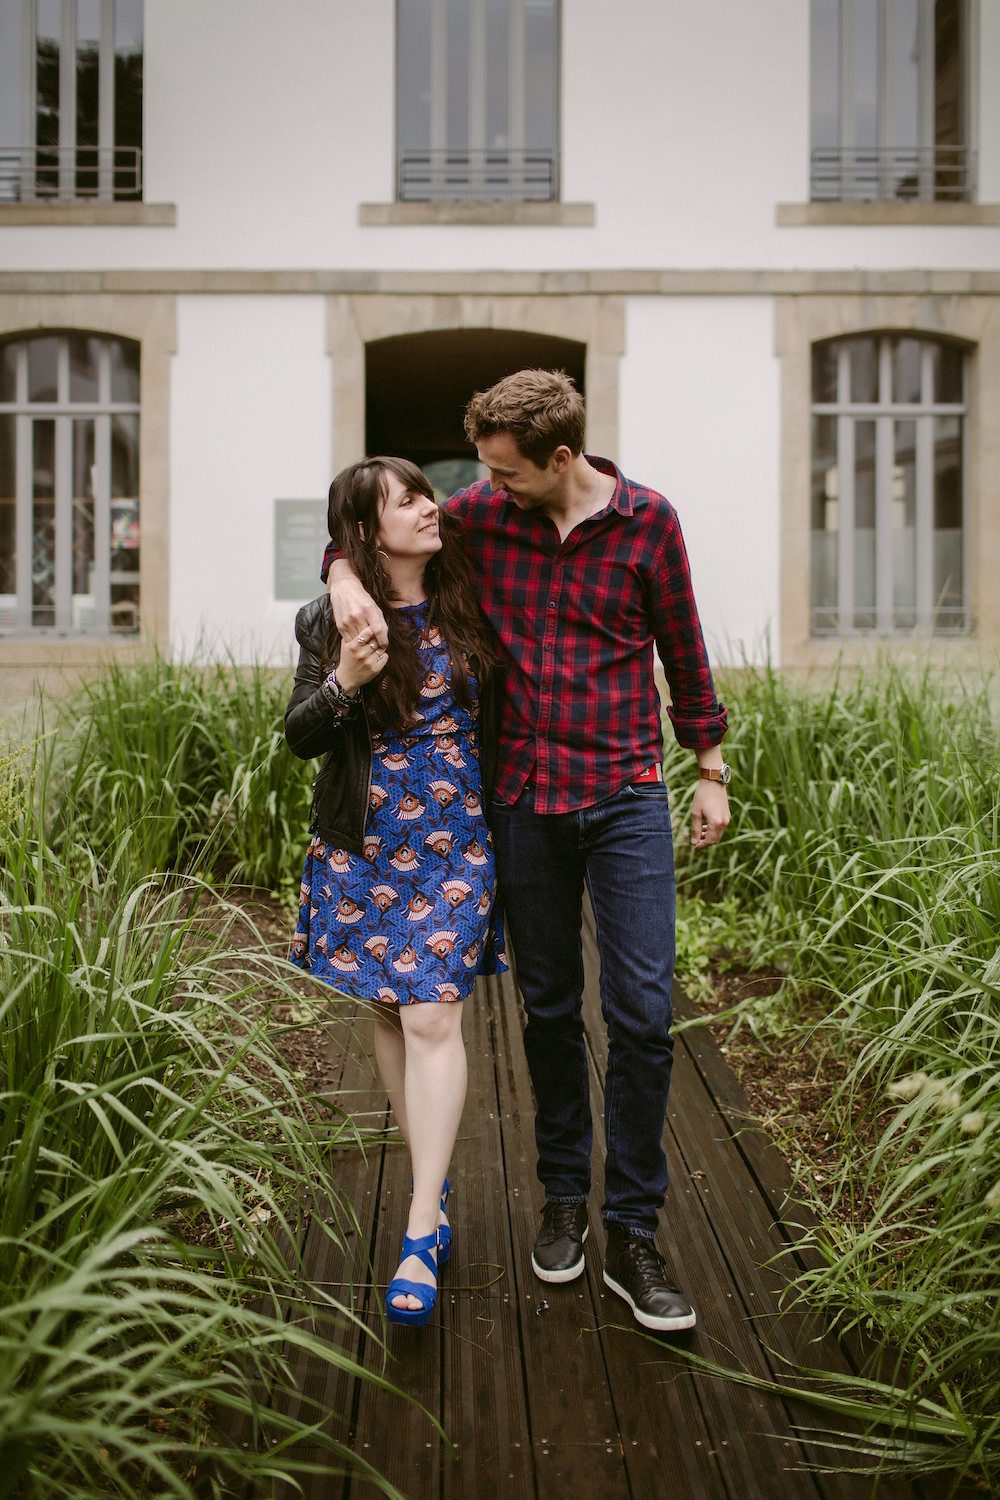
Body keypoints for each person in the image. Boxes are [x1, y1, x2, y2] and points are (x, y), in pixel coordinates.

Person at [324, 372, 730, 1332]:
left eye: (504, 473)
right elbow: (369, 532)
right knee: (549, 1009)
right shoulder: (483, 515)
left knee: (638, 1012)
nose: (484, 488)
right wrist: (342, 578)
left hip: (627, 795)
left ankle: (632, 1228)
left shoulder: (648, 523)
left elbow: (686, 645)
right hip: (522, 803)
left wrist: (709, 767)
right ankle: (561, 1199)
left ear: (559, 459)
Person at [285, 456, 506, 1327]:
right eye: (407, 500)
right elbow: (301, 735)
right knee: (387, 1007)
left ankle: (420, 1229)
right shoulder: (327, 621)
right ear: (368, 531)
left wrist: (338, 564)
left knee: (431, 1016)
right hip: (365, 844)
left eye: (424, 491)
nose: (429, 506)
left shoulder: (468, 592)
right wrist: (349, 677)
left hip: (456, 841)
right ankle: (434, 1188)